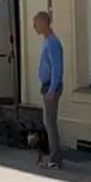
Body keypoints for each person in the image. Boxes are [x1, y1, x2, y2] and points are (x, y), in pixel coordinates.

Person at [33, 11, 63, 170]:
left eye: (36, 23)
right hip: (47, 85)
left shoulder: (52, 42)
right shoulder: (46, 41)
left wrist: (52, 89)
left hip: (51, 85)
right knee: (48, 122)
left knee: (50, 123)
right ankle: (53, 155)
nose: (34, 27)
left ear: (44, 23)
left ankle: (55, 158)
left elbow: (57, 68)